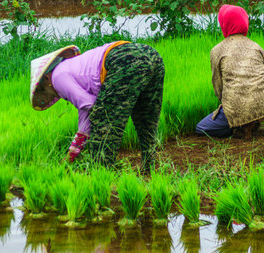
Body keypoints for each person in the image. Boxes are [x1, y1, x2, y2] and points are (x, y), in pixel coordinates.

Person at [30, 41, 165, 168]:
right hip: (150, 53)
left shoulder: (57, 77)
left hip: (123, 59)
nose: (53, 95)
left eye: (43, 89)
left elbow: (93, 106)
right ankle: (149, 166)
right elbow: (85, 116)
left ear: (46, 78)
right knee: (146, 116)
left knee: (103, 122)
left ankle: (102, 172)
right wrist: (72, 152)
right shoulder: (71, 68)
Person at [196, 4, 264, 138]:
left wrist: (227, 105)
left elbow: (218, 85)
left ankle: (240, 127)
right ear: (245, 23)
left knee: (201, 128)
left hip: (236, 111)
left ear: (224, 25)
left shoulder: (216, 50)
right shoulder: (255, 46)